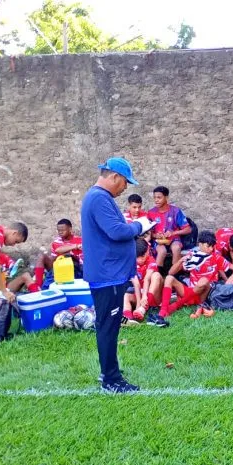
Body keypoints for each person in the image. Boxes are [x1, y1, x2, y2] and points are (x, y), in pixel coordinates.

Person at [81, 156, 155, 393]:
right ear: (114, 177)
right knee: (108, 327)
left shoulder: (99, 198)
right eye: (125, 183)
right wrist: (140, 226)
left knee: (110, 325)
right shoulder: (99, 198)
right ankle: (110, 379)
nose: (125, 188)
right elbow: (116, 231)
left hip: (110, 273)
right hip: (107, 274)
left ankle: (110, 374)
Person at [155, 230, 233, 321]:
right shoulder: (192, 256)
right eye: (208, 246)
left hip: (205, 294)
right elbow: (170, 272)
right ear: (200, 244)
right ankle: (163, 311)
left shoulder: (216, 257)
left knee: (204, 280)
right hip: (191, 291)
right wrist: (181, 261)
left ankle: (176, 306)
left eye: (212, 246)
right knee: (169, 278)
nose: (211, 249)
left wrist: (230, 279)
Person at [148, 186, 192, 268]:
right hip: (159, 241)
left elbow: (188, 229)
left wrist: (173, 232)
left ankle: (174, 275)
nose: (156, 200)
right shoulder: (151, 213)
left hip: (174, 239)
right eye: (154, 197)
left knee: (176, 248)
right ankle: (157, 275)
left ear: (166, 197)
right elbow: (148, 233)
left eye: (159, 197)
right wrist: (155, 235)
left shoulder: (175, 211)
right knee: (162, 251)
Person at [122, 239, 163, 326]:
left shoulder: (151, 261)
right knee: (126, 295)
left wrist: (144, 297)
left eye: (142, 257)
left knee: (156, 275)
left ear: (147, 251)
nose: (139, 260)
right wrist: (138, 303)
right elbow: (136, 283)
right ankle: (127, 318)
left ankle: (143, 309)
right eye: (137, 257)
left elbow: (147, 279)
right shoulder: (130, 262)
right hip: (140, 295)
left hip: (152, 296)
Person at [33, 219, 83, 287]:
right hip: (58, 267)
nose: (60, 232)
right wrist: (75, 246)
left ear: (70, 229)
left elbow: (81, 261)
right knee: (42, 256)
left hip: (75, 269)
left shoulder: (79, 240)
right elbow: (57, 251)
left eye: (63, 230)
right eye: (59, 230)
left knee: (69, 257)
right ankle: (37, 286)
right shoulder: (56, 242)